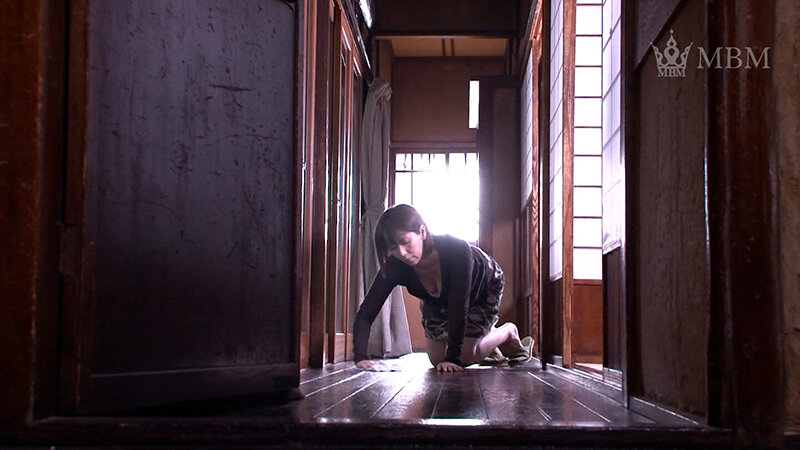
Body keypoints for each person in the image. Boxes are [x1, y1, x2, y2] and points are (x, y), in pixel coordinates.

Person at [353, 204, 533, 373]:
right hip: (437, 299)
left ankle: (508, 332)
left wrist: (453, 359)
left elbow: (458, 306)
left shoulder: (456, 250)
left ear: (422, 231)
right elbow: (366, 313)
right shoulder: (396, 265)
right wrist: (361, 357)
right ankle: (484, 342)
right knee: (437, 359)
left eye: (405, 242)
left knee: (463, 356)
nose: (401, 253)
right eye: (393, 248)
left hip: (483, 287)